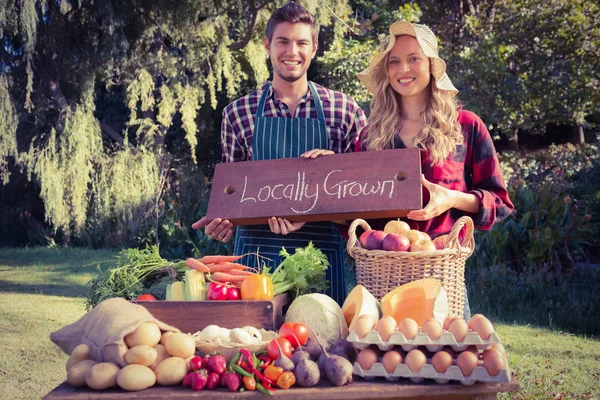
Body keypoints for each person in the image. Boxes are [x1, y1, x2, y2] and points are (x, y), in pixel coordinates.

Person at [192, 2, 367, 305]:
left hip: (321, 262)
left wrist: (334, 174)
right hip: (254, 264)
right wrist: (225, 223)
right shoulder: (238, 113)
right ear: (267, 46)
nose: (292, 51)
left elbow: (368, 197)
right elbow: (233, 194)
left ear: (314, 47)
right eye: (283, 41)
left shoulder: (345, 111)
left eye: (301, 42)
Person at [355, 22, 514, 318]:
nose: (404, 69)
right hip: (383, 283)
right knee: (384, 361)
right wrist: (323, 169)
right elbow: (349, 206)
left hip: (443, 282)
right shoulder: (370, 137)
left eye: (414, 58)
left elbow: (500, 204)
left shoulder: (465, 127)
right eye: (394, 61)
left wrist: (453, 199)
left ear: (432, 65)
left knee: (451, 362)